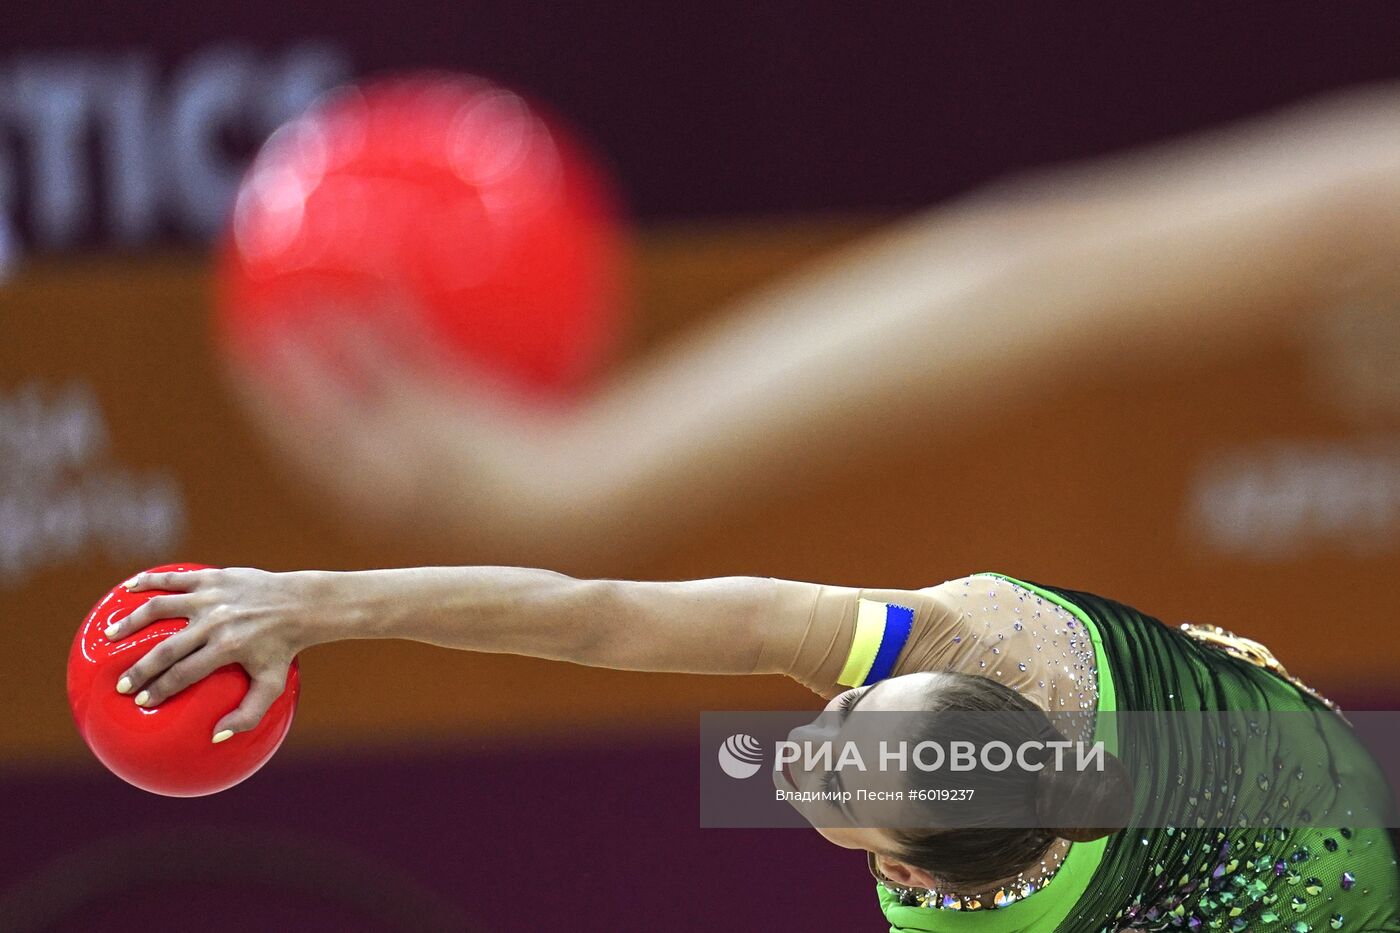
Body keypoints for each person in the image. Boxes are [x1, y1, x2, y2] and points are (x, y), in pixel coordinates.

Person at [104, 566, 1400, 931]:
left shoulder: (974, 926)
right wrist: (310, 604)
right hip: (1263, 754)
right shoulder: (979, 632)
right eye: (838, 722)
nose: (791, 758)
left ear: (926, 872)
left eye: (836, 785)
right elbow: (607, 613)